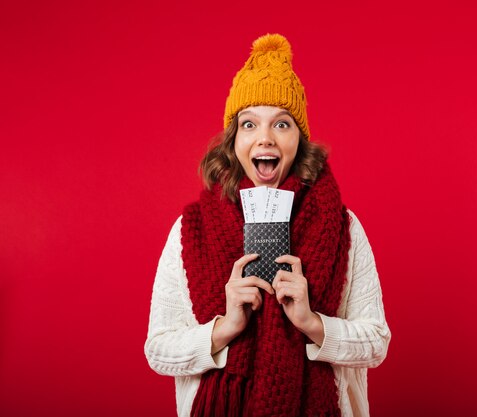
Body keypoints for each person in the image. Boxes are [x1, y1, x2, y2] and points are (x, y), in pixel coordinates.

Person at [144, 33, 391, 417]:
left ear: (299, 139)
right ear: (233, 140)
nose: (264, 138)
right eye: (248, 124)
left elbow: (376, 343)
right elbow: (158, 350)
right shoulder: (190, 230)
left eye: (281, 124)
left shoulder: (342, 227)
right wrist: (223, 328)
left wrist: (312, 324)